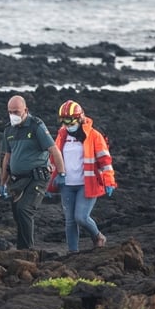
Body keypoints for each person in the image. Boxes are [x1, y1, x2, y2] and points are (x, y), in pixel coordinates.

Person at [0, 95, 66, 250]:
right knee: (17, 212)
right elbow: (6, 157)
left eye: (16, 112)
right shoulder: (8, 129)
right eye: (10, 112)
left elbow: (54, 150)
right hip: (18, 180)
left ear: (26, 110)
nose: (13, 116)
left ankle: (27, 250)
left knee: (25, 210)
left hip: (37, 177)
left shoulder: (36, 126)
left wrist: (61, 173)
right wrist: (2, 182)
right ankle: (21, 249)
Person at [50, 100, 116, 252]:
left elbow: (105, 160)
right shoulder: (62, 135)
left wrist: (109, 181)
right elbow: (54, 159)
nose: (67, 124)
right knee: (70, 221)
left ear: (79, 118)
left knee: (81, 217)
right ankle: (73, 252)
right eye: (63, 121)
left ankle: (98, 236)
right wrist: (50, 182)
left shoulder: (94, 136)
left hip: (87, 184)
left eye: (70, 120)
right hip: (67, 184)